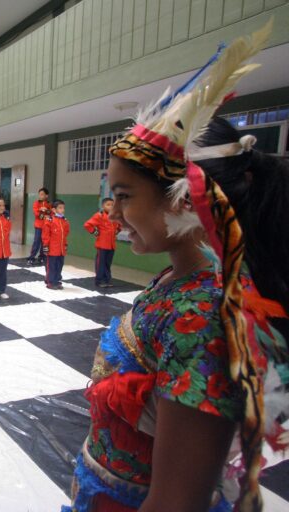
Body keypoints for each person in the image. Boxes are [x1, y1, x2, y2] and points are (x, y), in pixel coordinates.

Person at [63, 22, 289, 511]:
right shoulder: (181, 279)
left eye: (124, 196)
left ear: (186, 198)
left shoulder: (203, 314)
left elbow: (174, 502)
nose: (114, 212)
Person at [83, 197, 122, 288]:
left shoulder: (115, 216)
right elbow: (87, 225)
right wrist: (95, 232)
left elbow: (120, 225)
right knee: (100, 264)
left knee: (107, 264)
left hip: (112, 245)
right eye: (108, 205)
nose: (111, 207)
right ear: (103, 206)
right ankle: (99, 280)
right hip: (102, 245)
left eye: (112, 205)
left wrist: (118, 230)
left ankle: (107, 280)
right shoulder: (99, 215)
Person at [42, 199, 69, 290]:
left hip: (61, 249)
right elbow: (45, 234)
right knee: (51, 266)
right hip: (52, 249)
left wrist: (65, 244)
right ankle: (50, 282)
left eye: (63, 208)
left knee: (59, 265)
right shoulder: (49, 220)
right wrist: (46, 246)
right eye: (60, 208)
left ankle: (57, 280)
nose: (63, 210)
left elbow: (65, 234)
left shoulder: (64, 221)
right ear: (54, 210)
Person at [27, 187, 52, 266]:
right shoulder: (36, 203)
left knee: (44, 242)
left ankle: (42, 257)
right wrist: (42, 212)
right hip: (39, 225)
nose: (40, 196)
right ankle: (32, 257)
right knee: (36, 241)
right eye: (39, 194)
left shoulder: (49, 204)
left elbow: (51, 213)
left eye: (42, 194)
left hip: (47, 226)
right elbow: (36, 213)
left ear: (46, 195)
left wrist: (46, 210)